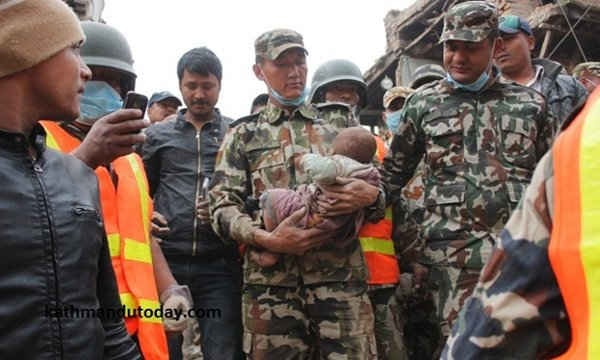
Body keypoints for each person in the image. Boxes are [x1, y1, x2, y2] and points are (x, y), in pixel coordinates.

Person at [383, 0, 556, 352]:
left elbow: (553, 182)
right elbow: (391, 180)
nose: (458, 57)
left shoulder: (531, 105)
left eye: (471, 47)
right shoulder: (422, 105)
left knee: (523, 348)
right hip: (450, 262)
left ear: (495, 46)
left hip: (519, 255)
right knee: (462, 349)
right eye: (451, 47)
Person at [210, 28, 384, 359]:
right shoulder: (242, 135)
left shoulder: (340, 123)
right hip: (272, 294)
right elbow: (221, 208)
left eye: (300, 62)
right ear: (259, 71)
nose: (294, 72)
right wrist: (266, 238)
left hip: (340, 286)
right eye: (282, 64)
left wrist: (370, 197)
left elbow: (380, 189)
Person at [0, 0, 139, 358]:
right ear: (27, 52)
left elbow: (108, 325)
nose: (87, 72)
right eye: (74, 50)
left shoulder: (76, 174)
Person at [40, 20, 182, 360]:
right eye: (96, 75)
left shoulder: (130, 159)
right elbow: (29, 220)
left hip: (134, 330)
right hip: (72, 329)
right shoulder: (38, 141)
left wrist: (171, 289)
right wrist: (86, 156)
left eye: (117, 81)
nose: (105, 88)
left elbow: (142, 235)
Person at [442, 87, 600, 360]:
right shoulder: (585, 136)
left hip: (515, 245)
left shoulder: (584, 135)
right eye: (451, 47)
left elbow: (499, 319)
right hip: (449, 251)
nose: (458, 57)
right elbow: (398, 171)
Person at [141, 47, 242, 360]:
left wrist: (226, 209)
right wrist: (149, 214)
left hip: (219, 265)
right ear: (181, 85)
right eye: (191, 86)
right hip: (167, 264)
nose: (199, 94)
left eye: (207, 86)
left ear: (220, 85)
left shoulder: (235, 134)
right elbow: (142, 188)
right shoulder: (157, 136)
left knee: (223, 349)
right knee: (165, 348)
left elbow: (247, 190)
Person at [309, 60, 406, 359]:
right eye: (336, 93)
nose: (346, 100)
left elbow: (397, 202)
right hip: (330, 278)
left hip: (381, 276)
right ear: (319, 100)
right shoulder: (311, 148)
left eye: (351, 93)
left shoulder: (378, 146)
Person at [249, 126, 379, 265]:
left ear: (334, 150)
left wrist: (303, 159)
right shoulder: (369, 171)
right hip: (340, 226)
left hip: (311, 213)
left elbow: (326, 171)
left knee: (270, 198)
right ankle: (273, 242)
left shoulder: (340, 163)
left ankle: (272, 250)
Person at [494, 14, 587, 128]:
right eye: (493, 43)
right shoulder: (484, 94)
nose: (500, 48)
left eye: (508, 39)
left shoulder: (569, 88)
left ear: (530, 42)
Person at [309, 58, 363, 128]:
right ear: (320, 95)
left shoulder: (368, 136)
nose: (347, 95)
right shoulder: (302, 131)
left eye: (352, 90)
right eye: (338, 89)